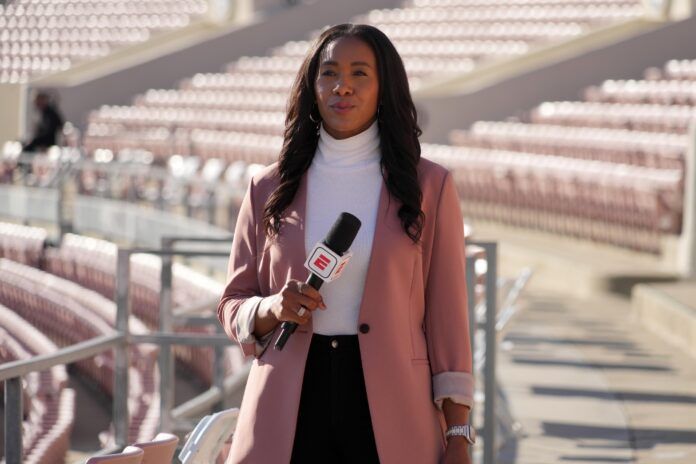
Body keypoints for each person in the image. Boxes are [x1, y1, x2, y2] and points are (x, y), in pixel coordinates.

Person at [217, 23, 475, 464]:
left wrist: (458, 431)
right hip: (289, 402)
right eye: (329, 72)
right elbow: (232, 304)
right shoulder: (268, 187)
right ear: (312, 85)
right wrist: (272, 308)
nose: (343, 87)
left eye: (360, 74)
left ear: (383, 87)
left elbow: (447, 317)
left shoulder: (429, 185)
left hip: (391, 406)